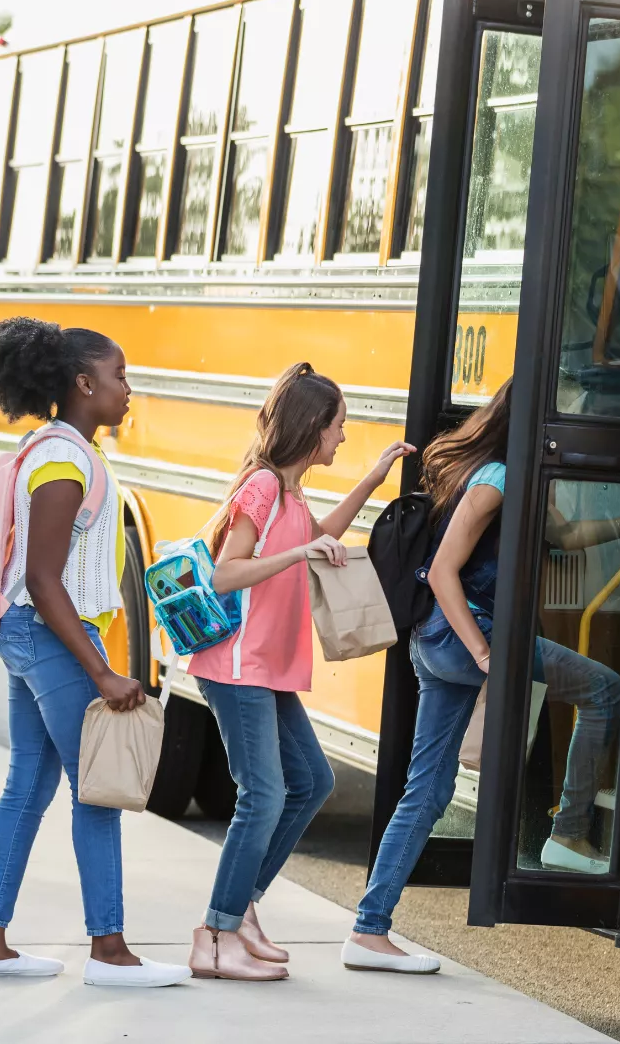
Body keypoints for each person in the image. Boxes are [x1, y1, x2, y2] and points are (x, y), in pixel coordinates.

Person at [344, 382, 620, 974]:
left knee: (429, 789)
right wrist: (486, 655)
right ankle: (569, 832)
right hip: (461, 637)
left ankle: (369, 930)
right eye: (564, 415)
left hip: (442, 642)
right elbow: (443, 570)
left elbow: (569, 539)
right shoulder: (497, 479)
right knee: (605, 689)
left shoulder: (515, 476)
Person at [0, 316, 188, 988]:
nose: (127, 389)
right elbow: (41, 576)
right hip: (47, 631)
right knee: (97, 790)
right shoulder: (61, 460)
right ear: (83, 383)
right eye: (119, 376)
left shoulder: (64, 448)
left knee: (30, 782)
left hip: (33, 632)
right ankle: (110, 953)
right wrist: (102, 670)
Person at [186, 364, 415, 982]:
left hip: (269, 668)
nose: (343, 438)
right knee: (261, 796)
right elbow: (226, 572)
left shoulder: (291, 492)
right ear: (312, 429)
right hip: (236, 667)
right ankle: (215, 934)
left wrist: (373, 478)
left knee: (311, 782)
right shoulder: (261, 487)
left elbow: (321, 537)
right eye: (339, 427)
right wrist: (295, 553)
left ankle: (241, 907)